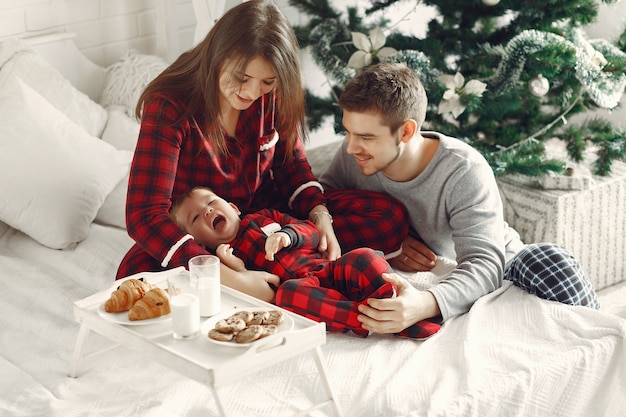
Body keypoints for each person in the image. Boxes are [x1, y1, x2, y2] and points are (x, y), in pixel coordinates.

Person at [115, 1, 409, 302]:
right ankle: (289, 276)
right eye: (242, 78)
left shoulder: (272, 94)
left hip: (269, 221)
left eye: (266, 82)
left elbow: (291, 167)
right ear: (218, 55)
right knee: (135, 274)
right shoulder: (170, 105)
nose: (252, 93)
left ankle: (290, 269)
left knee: (389, 218)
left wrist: (321, 218)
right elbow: (144, 215)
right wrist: (229, 278)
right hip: (202, 237)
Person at [319, 62, 600, 335]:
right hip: (435, 272)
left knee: (552, 260)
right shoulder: (352, 155)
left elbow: (486, 264)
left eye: (366, 136)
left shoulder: (463, 169)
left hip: (506, 269)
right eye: (348, 132)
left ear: (406, 131)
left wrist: (425, 303)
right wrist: (386, 239)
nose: (352, 146)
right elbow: (320, 204)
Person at [170, 186, 441, 338]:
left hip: (329, 267)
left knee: (365, 256)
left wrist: (287, 236)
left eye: (211, 201)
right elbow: (259, 288)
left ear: (233, 207)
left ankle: (393, 304)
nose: (206, 211)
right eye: (195, 219)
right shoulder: (223, 258)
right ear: (197, 241)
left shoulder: (265, 218)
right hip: (304, 286)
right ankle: (368, 318)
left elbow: (310, 231)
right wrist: (236, 267)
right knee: (288, 297)